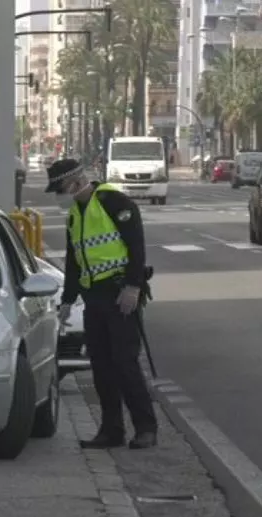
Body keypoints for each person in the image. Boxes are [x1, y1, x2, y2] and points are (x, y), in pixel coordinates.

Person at [45, 158, 158, 450]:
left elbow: (136, 245)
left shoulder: (112, 201)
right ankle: (112, 430)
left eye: (62, 186)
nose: (61, 193)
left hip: (120, 293)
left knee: (125, 363)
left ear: (76, 180)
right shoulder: (75, 215)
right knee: (102, 366)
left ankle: (145, 427)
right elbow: (74, 261)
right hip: (93, 296)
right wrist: (68, 300)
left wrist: (133, 287)